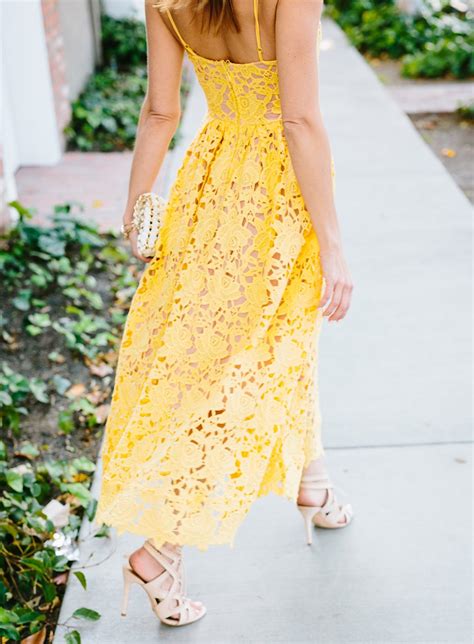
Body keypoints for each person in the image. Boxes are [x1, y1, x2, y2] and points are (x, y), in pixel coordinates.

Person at [95, 0, 354, 627]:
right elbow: (298, 121)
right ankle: (161, 550)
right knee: (253, 359)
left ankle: (311, 482)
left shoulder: (168, 1)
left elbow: (160, 110)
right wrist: (334, 244)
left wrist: (139, 207)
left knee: (272, 341)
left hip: (209, 180)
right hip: (280, 192)